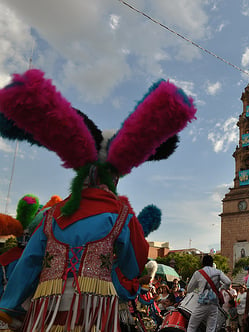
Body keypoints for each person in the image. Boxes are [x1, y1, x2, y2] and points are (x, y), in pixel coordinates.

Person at [0, 68, 197, 331]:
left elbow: (29, 262)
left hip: (46, 313)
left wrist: (11, 305)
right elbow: (133, 263)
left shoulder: (50, 216)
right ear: (114, 178)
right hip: (96, 313)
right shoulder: (120, 216)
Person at [186, 255, 231, 332]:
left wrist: (198, 288)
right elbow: (228, 282)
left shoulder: (198, 273)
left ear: (202, 263)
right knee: (211, 329)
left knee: (192, 326)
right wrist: (222, 288)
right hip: (214, 304)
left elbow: (189, 289)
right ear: (212, 263)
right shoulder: (218, 272)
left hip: (202, 304)